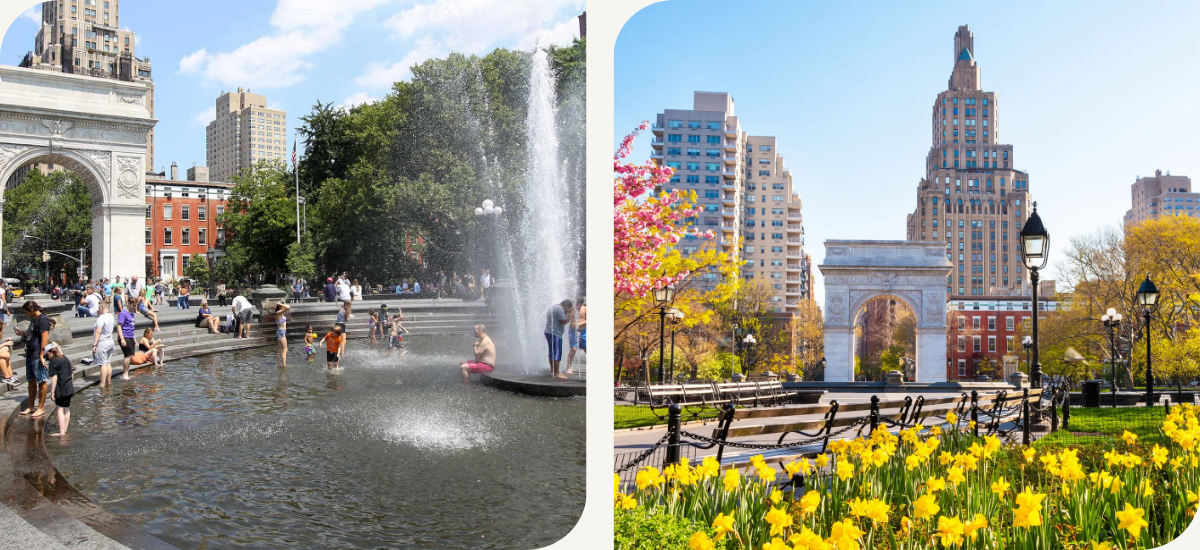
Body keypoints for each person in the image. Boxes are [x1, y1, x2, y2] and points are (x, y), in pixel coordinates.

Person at [16, 301, 51, 418]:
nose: (25, 314)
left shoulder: (43, 320)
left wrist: (42, 355)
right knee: (31, 381)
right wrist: (23, 334)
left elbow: (45, 338)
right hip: (30, 353)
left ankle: (40, 408)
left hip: (37, 354)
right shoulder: (34, 319)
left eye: (26, 312)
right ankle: (31, 406)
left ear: (31, 310)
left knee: (41, 381)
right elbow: (33, 336)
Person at [44, 343, 74, 437]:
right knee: (67, 408)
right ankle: (64, 430)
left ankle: (61, 432)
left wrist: (52, 391)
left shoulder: (53, 361)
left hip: (61, 388)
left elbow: (54, 377)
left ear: (49, 353)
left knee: (59, 409)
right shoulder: (65, 358)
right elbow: (72, 374)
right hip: (69, 387)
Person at [544, 299, 573, 380]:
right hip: (555, 333)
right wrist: (568, 312)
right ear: (567, 306)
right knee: (557, 352)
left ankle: (553, 371)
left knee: (552, 352)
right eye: (569, 308)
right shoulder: (560, 309)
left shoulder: (553, 307)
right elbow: (564, 321)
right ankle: (556, 373)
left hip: (549, 332)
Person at [91, 301, 116, 388]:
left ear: (102, 307)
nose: (98, 309)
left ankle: (102, 384)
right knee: (108, 363)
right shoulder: (111, 316)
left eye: (99, 307)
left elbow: (98, 331)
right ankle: (109, 383)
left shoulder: (101, 318)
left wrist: (94, 344)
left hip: (102, 343)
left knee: (102, 365)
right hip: (110, 341)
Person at [117, 300, 137, 381]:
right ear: (128, 304)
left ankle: (126, 373)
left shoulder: (132, 314)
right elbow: (119, 326)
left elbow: (131, 326)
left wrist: (134, 338)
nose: (134, 307)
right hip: (124, 336)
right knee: (128, 355)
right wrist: (122, 339)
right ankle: (125, 374)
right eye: (133, 305)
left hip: (130, 336)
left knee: (131, 356)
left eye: (135, 305)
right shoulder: (123, 313)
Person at [566, 298, 587, 375]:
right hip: (572, 331)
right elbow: (567, 319)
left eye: (579, 304)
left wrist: (580, 324)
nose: (577, 306)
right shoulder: (571, 309)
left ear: (582, 304)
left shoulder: (585, 309)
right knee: (573, 350)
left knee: (586, 349)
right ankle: (568, 367)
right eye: (577, 304)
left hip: (583, 331)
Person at [274, 302, 291, 368]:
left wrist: (280, 304)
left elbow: (287, 306)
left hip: (280, 332)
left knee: (280, 349)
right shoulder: (278, 313)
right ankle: (284, 365)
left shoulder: (280, 313)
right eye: (282, 306)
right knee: (285, 349)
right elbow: (288, 307)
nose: (283, 307)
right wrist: (280, 304)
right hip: (281, 332)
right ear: (280, 306)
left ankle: (278, 364)